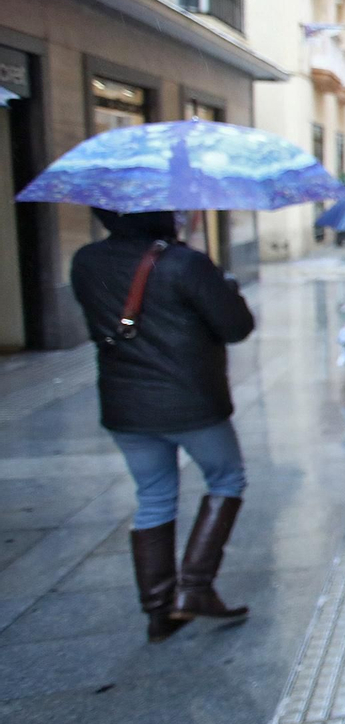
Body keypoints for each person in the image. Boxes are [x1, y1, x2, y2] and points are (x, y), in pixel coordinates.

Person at [71, 209, 255, 642]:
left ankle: (158, 610)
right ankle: (193, 588)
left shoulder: (84, 261)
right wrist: (223, 284)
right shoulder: (185, 263)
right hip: (191, 403)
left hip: (125, 405)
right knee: (226, 477)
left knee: (153, 495)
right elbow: (236, 327)